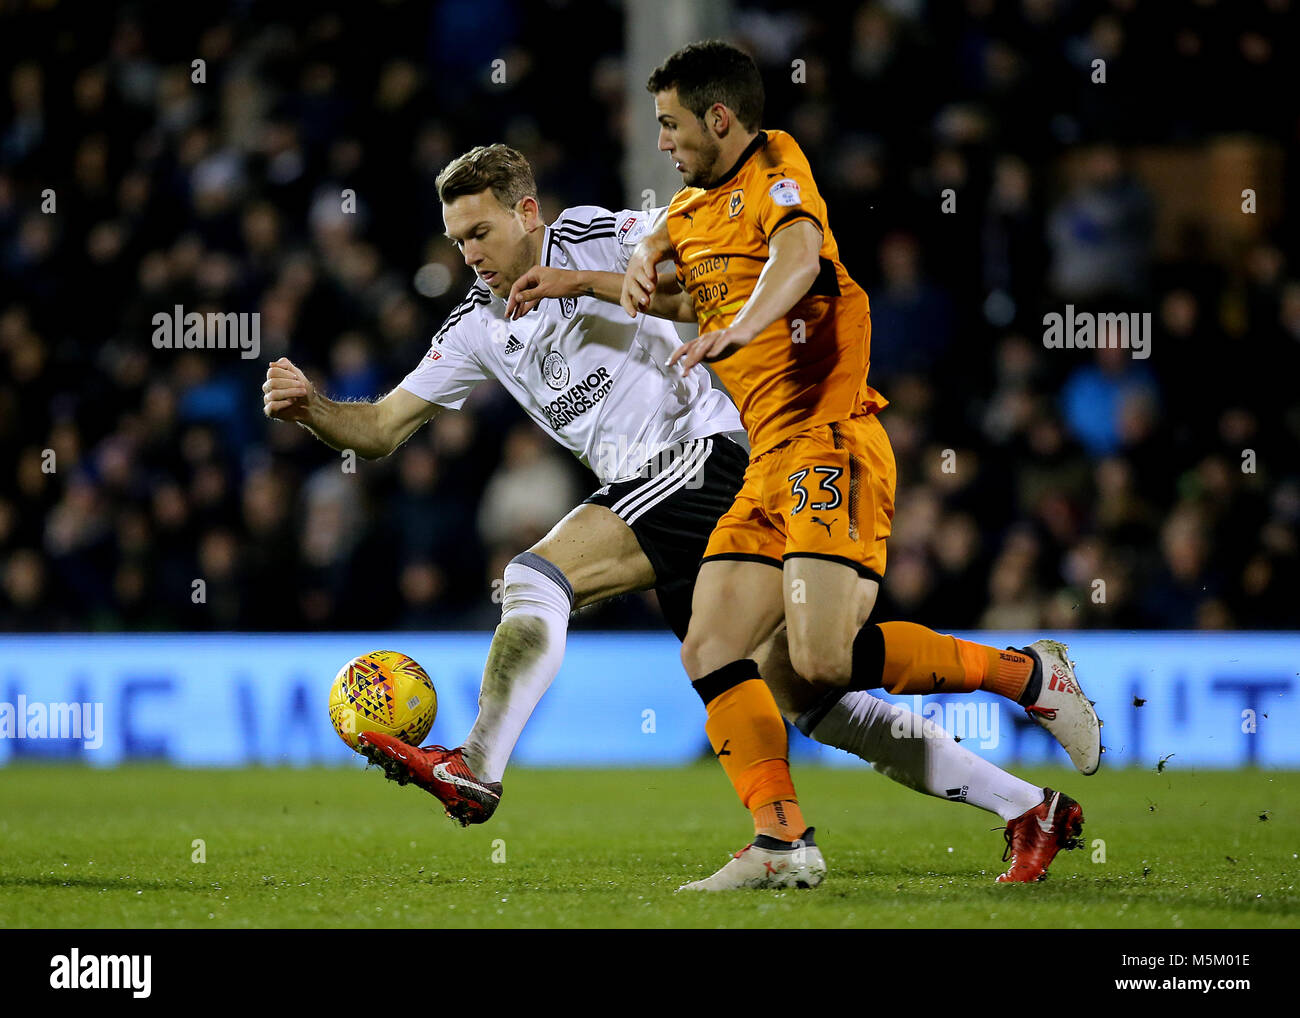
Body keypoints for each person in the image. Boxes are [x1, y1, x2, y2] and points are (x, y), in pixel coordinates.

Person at [263, 143, 1089, 892]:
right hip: (650, 492)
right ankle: (1025, 780)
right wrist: (312, 409)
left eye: (479, 232)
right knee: (811, 685)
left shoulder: (590, 234)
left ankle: (480, 762)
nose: (469, 254)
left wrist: (617, 269)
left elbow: (696, 256)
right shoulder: (477, 327)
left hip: (704, 455)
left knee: (534, 577)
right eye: (456, 241)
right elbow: (377, 429)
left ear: (526, 212)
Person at [618, 40, 1100, 890]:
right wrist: (580, 278)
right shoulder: (693, 213)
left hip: (828, 441)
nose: (662, 142)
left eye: (670, 123)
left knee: (821, 665)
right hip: (765, 460)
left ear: (719, 118)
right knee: (713, 647)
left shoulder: (776, 163)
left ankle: (1025, 674)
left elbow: (797, 259)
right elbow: (678, 290)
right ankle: (780, 842)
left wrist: (742, 327)